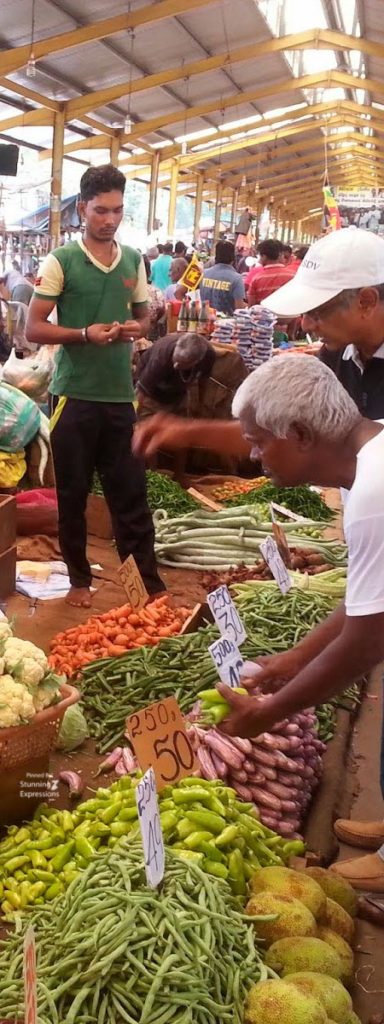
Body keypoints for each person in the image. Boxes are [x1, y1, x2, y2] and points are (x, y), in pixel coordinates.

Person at [26, 162, 165, 608]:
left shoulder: (132, 261)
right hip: (73, 396)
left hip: (120, 398)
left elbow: (145, 316)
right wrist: (84, 334)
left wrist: (136, 327)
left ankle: (146, 582)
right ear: (83, 208)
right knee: (73, 493)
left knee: (131, 492)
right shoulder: (61, 261)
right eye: (101, 210)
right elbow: (33, 328)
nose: (109, 220)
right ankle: (80, 580)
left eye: (118, 210)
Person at [136, 332, 216, 417]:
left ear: (196, 362)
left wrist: (200, 405)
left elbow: (203, 381)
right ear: (176, 347)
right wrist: (133, 416)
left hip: (179, 391)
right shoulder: (160, 357)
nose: (176, 365)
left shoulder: (208, 356)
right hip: (153, 388)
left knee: (179, 421)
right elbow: (141, 391)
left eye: (182, 363)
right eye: (175, 360)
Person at [200, 241, 246, 315]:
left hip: (204, 320)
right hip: (225, 324)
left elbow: (179, 292)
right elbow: (239, 310)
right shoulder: (236, 279)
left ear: (216, 257)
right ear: (233, 258)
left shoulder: (203, 274)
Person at [248, 239, 295, 306]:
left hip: (264, 315)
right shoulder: (293, 276)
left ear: (264, 256)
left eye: (259, 256)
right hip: (289, 315)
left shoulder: (257, 279)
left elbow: (251, 306)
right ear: (280, 255)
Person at [142, 255, 166, 342]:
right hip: (150, 341)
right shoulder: (156, 293)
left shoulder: (121, 293)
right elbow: (162, 314)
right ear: (148, 272)